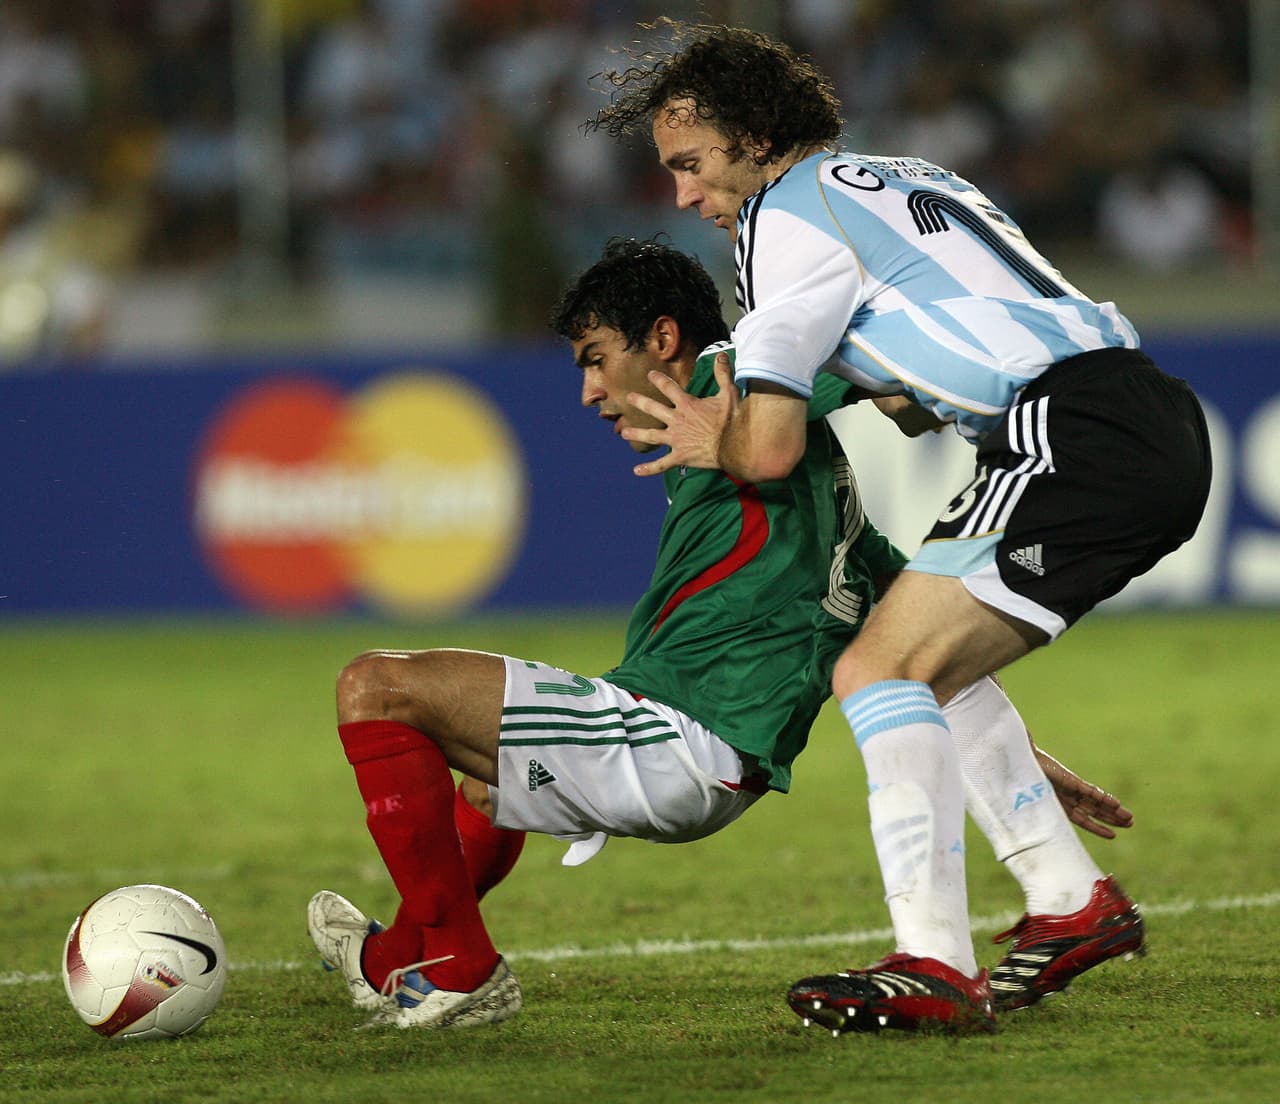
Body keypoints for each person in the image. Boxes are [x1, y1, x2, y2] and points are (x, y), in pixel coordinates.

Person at [306, 236, 1132, 1030]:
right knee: (490, 784)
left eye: (596, 358)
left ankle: (459, 969)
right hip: (696, 745)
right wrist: (1019, 761)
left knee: (376, 688)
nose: (589, 391)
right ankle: (392, 957)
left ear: (662, 338)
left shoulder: (729, 374)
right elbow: (905, 616)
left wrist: (917, 362)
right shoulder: (785, 481)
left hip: (678, 737)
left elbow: (888, 383)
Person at [589, 21, 1211, 1033]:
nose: (683, 196)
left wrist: (718, 433)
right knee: (926, 667)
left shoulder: (779, 224)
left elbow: (771, 448)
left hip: (1066, 431)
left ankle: (932, 963)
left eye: (690, 165)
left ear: (750, 135)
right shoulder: (895, 175)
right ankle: (1067, 901)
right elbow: (922, 384)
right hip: (1130, 409)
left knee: (873, 672)